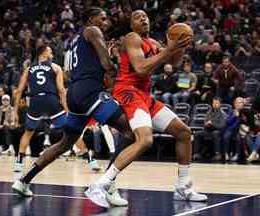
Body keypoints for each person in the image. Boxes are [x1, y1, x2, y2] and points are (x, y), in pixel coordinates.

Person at [85, 10, 207, 208]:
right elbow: (141, 68)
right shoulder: (131, 38)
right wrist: (169, 49)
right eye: (137, 16)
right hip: (127, 91)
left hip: (144, 96)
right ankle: (100, 185)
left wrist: (180, 46)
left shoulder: (154, 43)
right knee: (145, 140)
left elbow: (173, 63)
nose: (144, 18)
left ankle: (183, 186)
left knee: (184, 132)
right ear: (131, 24)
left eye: (146, 16)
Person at [12, 8, 135, 203]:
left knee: (65, 144)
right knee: (129, 131)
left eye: (106, 18)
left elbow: (71, 71)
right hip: (90, 93)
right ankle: (108, 185)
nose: (106, 21)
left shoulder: (74, 42)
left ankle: (23, 180)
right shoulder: (93, 31)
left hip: (75, 93)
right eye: (101, 18)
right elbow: (106, 63)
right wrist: (114, 70)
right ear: (90, 19)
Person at [12, 43, 68, 173]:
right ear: (43, 53)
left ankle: (19, 162)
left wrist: (15, 111)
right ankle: (90, 159)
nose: (52, 54)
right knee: (70, 130)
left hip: (35, 101)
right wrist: (66, 108)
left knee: (28, 132)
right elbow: (61, 90)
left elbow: (19, 90)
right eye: (50, 52)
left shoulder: (29, 68)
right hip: (50, 100)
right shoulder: (55, 67)